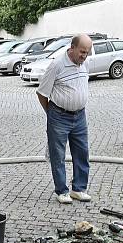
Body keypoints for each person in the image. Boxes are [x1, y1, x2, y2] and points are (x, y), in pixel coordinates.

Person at [36, 34, 92, 204]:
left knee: (82, 152)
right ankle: (62, 191)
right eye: (82, 51)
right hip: (59, 115)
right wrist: (51, 114)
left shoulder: (85, 64)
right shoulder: (57, 65)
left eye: (87, 52)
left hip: (80, 115)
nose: (84, 56)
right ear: (72, 48)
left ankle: (79, 189)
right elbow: (42, 93)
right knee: (58, 155)